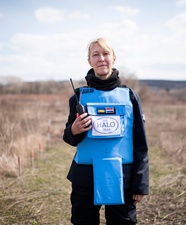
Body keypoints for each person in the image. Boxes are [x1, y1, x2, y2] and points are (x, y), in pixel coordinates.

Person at [63, 38, 149, 225]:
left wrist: (140, 183)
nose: (101, 58)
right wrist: (74, 130)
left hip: (122, 178)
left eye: (105, 53)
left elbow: (140, 143)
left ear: (114, 58)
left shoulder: (130, 96)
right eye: (95, 54)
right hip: (85, 178)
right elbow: (69, 138)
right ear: (89, 61)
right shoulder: (78, 97)